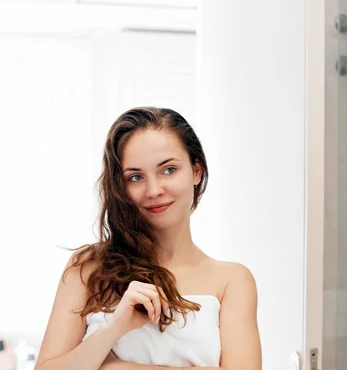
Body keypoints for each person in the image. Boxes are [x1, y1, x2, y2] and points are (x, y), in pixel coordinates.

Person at [35, 107, 262, 370]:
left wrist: (111, 367)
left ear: (196, 171)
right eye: (135, 177)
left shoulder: (232, 280)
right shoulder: (89, 267)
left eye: (168, 170)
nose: (154, 190)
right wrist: (113, 328)